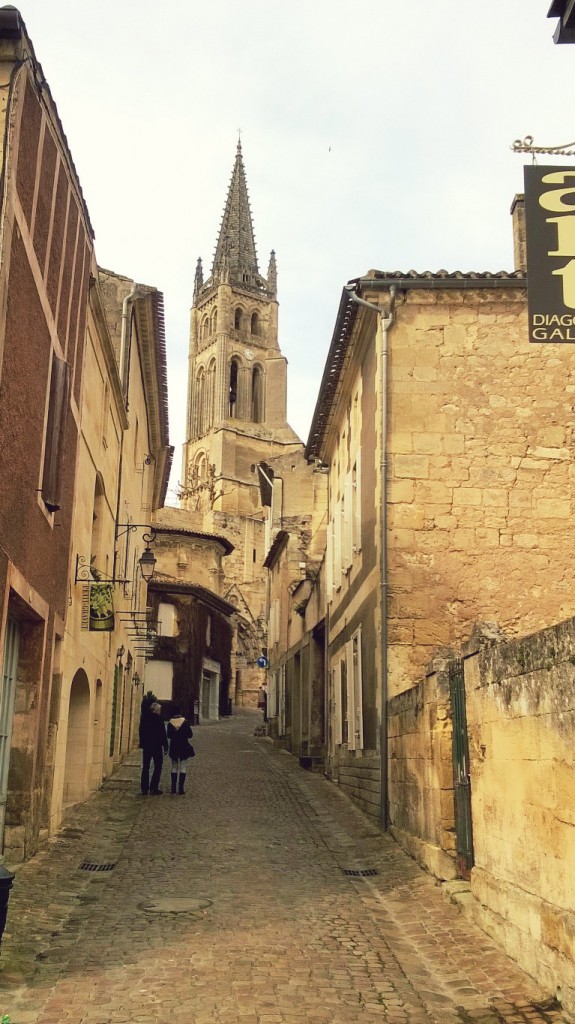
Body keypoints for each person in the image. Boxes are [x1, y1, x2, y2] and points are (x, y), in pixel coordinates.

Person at [139, 701, 167, 795]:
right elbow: (163, 733)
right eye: (159, 710)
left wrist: (142, 743)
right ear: (156, 710)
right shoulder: (159, 719)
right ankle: (154, 788)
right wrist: (165, 746)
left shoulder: (145, 718)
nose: (160, 711)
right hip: (157, 746)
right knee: (158, 767)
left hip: (147, 746)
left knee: (146, 767)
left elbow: (141, 731)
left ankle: (144, 788)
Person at [167, 704, 194, 795]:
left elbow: (169, 735)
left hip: (174, 746)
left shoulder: (170, 723)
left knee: (174, 766)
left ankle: (173, 788)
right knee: (183, 766)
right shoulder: (185, 722)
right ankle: (181, 788)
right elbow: (190, 735)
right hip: (183, 745)